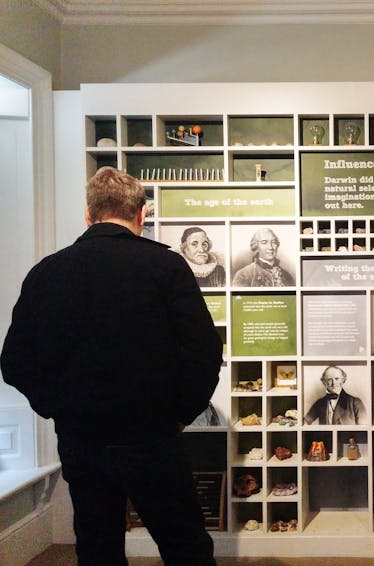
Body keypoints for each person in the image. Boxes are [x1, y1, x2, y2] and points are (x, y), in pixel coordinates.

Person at [0, 167, 223, 566]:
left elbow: (15, 362)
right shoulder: (166, 268)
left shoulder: (47, 273)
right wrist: (181, 413)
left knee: (98, 547)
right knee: (185, 546)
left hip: (82, 438)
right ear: (141, 215)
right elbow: (204, 352)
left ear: (89, 214)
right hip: (152, 435)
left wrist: (58, 406)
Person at [303, 365, 367, 425]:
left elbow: (363, 428)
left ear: (343, 380)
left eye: (337, 379)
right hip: (326, 437)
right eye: (329, 380)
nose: (334, 383)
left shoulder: (355, 403)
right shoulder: (320, 403)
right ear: (324, 382)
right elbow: (305, 422)